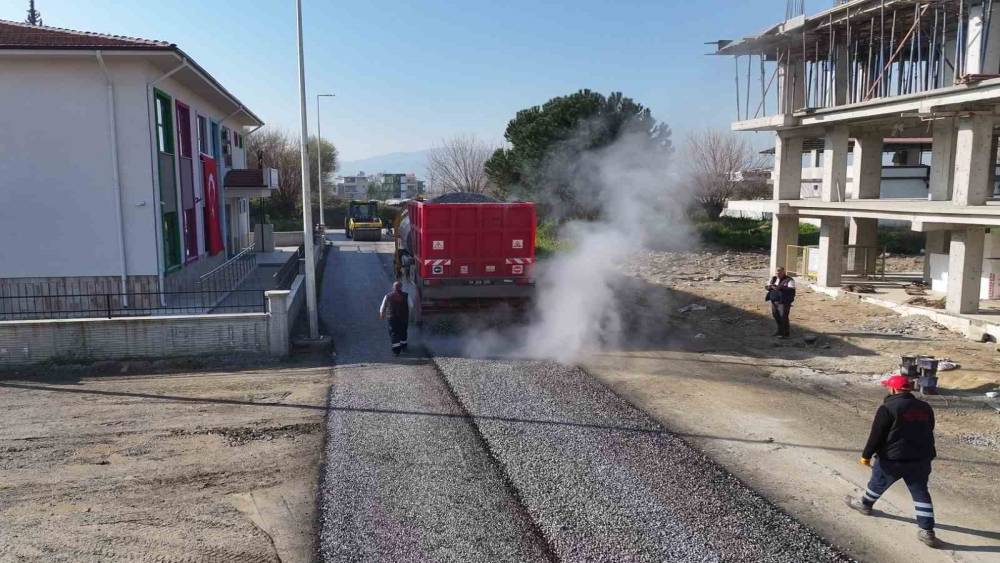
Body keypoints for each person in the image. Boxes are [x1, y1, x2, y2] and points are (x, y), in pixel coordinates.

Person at [845, 374, 941, 548]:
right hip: (921, 458)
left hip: (893, 459)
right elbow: (930, 428)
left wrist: (866, 455)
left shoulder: (887, 408)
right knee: (920, 493)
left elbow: (877, 435)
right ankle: (927, 531)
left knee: (878, 483)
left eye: (888, 387)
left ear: (894, 389)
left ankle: (865, 505)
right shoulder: (925, 407)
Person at [379, 281, 409, 356]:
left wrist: (382, 314)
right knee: (403, 331)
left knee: (394, 333)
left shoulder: (388, 296)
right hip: (403, 317)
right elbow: (411, 306)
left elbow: (383, 306)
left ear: (393, 287)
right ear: (401, 287)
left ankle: (396, 351)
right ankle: (404, 347)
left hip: (392, 318)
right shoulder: (406, 295)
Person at [764, 267, 796, 338]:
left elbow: (791, 290)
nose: (778, 274)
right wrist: (770, 287)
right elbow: (767, 286)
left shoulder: (789, 280)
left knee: (783, 316)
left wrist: (779, 288)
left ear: (784, 272)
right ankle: (779, 331)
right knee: (776, 315)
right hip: (774, 300)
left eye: (780, 272)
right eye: (777, 273)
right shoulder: (774, 278)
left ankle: (785, 334)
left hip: (784, 302)